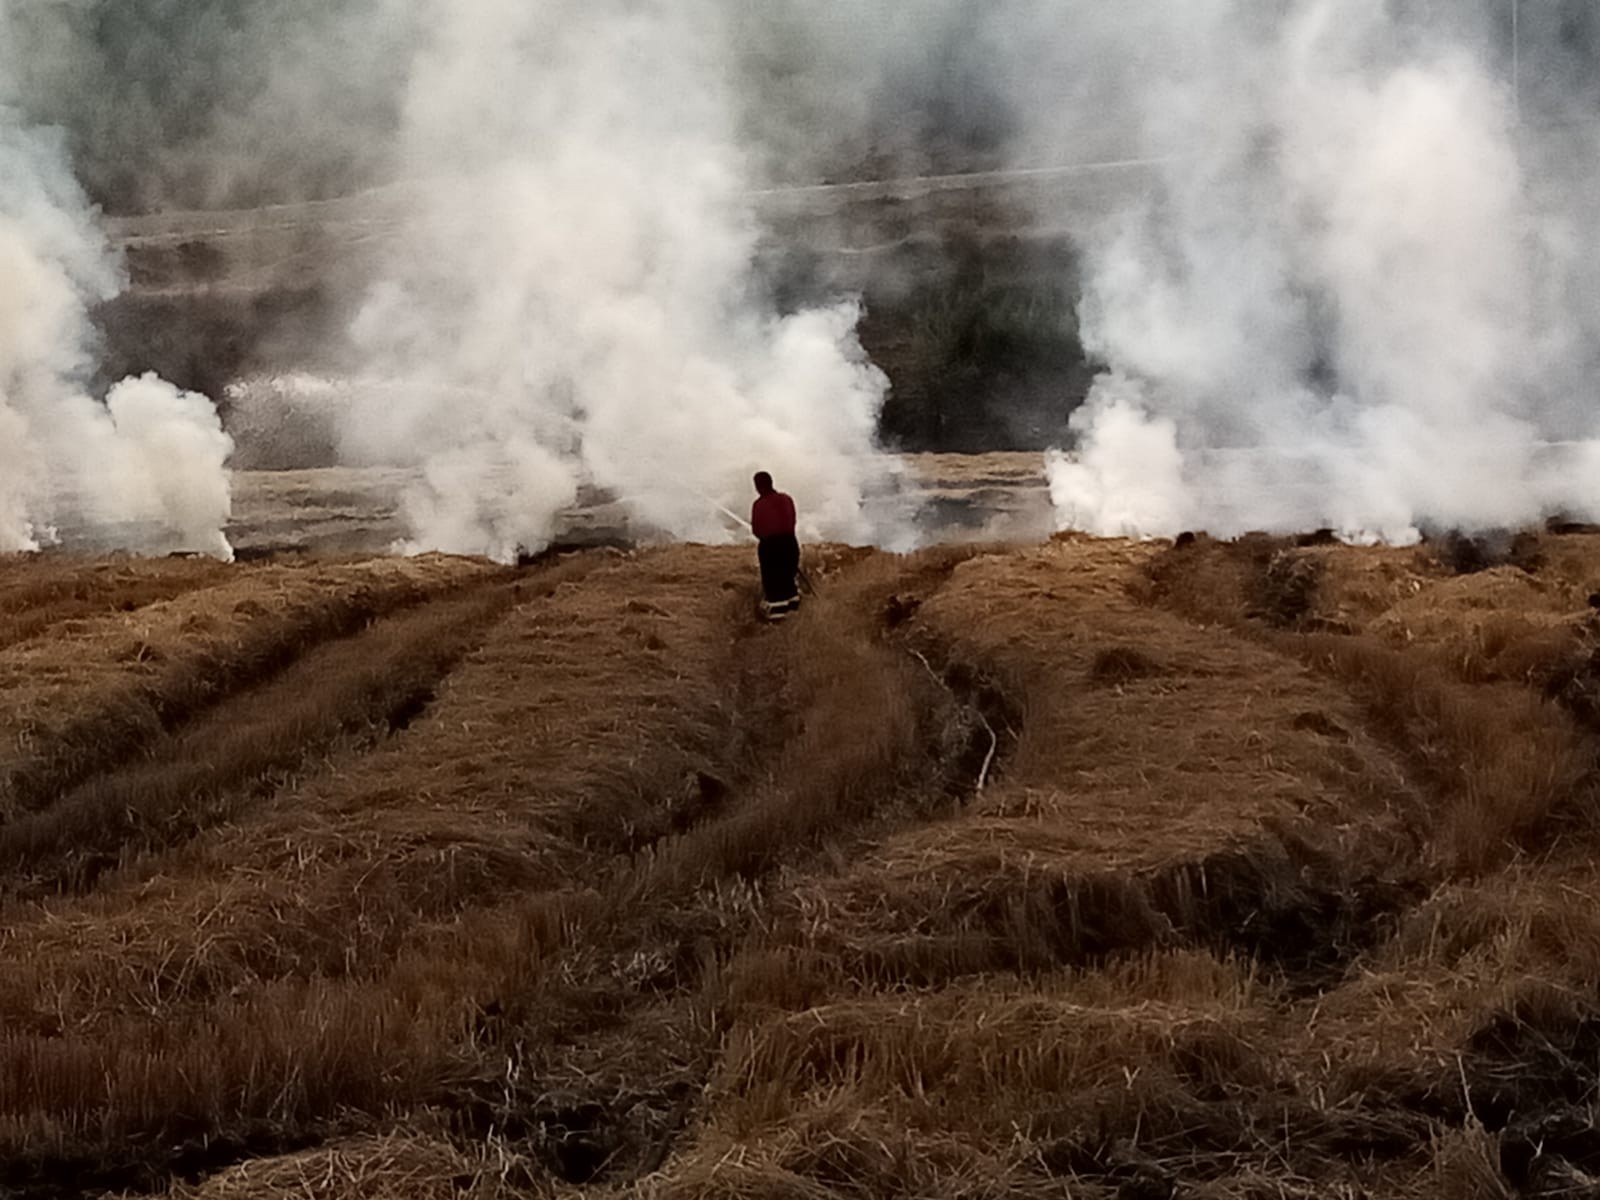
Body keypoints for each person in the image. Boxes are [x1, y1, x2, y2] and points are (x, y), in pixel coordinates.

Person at [751, 471, 801, 619]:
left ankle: (777, 622)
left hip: (770, 548)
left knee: (774, 587)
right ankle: (795, 615)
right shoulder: (786, 499)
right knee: (788, 581)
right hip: (790, 544)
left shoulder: (758, 505)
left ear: (757, 487)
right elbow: (792, 521)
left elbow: (756, 530)